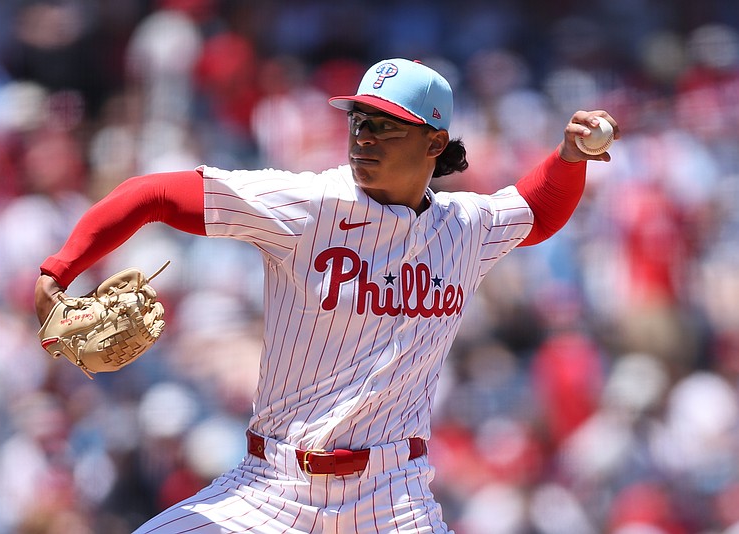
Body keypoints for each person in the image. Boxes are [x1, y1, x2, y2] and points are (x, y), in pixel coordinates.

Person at [34, 58, 619, 533]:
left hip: (395, 498)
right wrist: (59, 270)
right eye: (358, 121)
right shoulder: (305, 206)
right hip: (273, 490)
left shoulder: (465, 227)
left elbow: (536, 211)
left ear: (435, 142)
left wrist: (570, 158)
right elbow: (154, 193)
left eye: (384, 126)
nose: (363, 137)